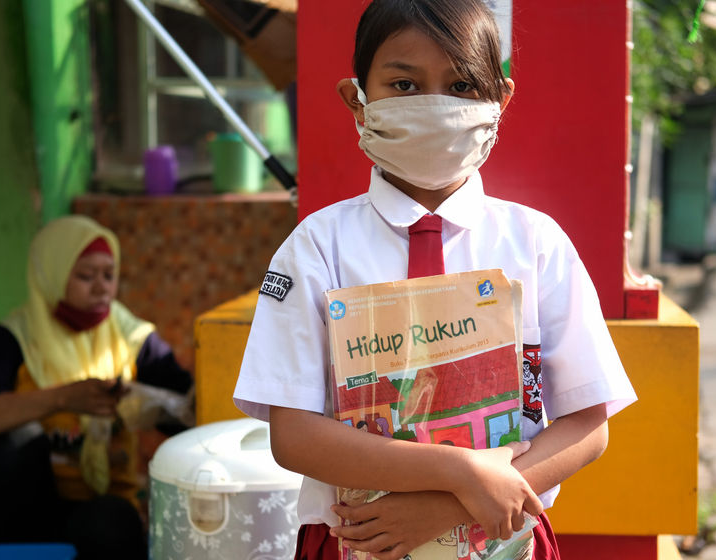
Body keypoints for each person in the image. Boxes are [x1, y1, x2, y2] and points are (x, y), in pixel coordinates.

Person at [233, 1, 638, 558]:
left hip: (505, 540)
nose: (433, 103)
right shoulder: (316, 248)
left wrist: (454, 504)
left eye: (461, 85)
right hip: (357, 544)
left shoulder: (537, 245)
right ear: (357, 98)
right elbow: (294, 435)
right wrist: (459, 471)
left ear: (501, 100)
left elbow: (588, 424)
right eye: (404, 84)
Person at [0, 215, 192, 559]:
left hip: (100, 507)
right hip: (28, 505)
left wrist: (144, 405)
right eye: (86, 276)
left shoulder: (131, 337)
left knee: (113, 521)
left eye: (109, 275)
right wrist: (62, 399)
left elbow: (188, 406)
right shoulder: (15, 339)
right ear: (53, 275)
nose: (102, 288)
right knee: (10, 441)